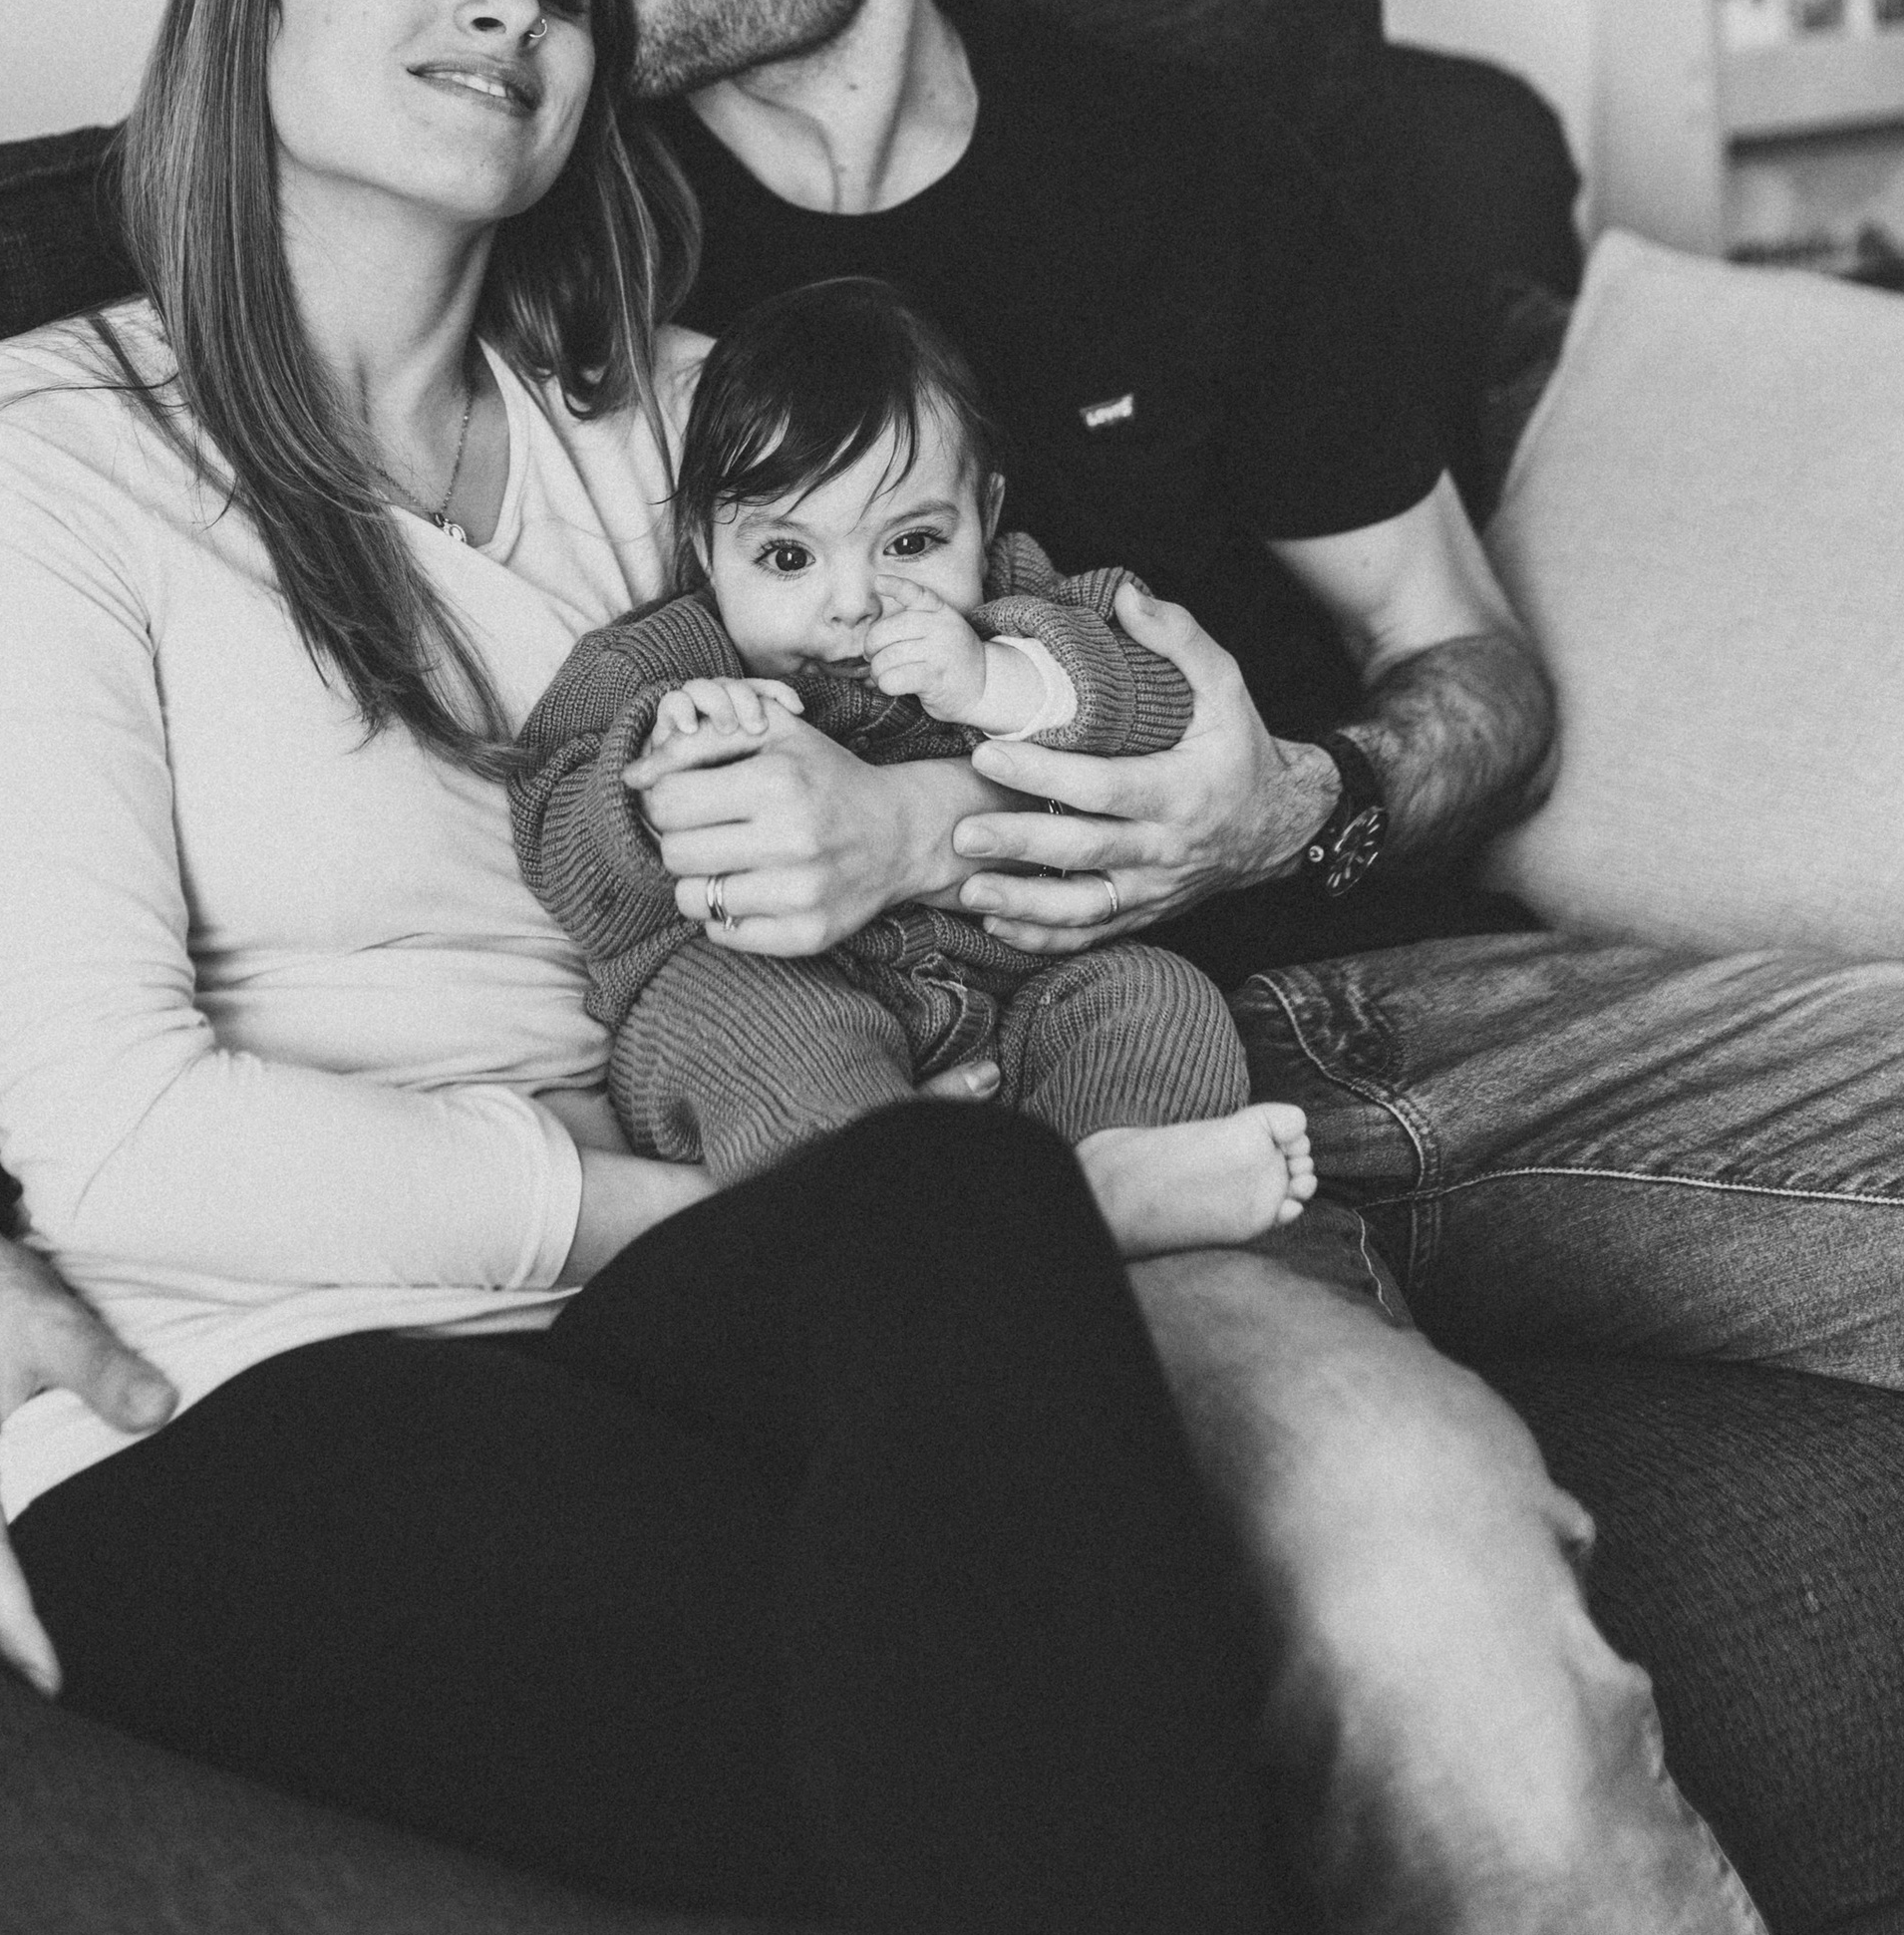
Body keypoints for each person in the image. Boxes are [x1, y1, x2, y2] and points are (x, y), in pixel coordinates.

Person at [0, 0, 1904, 1935]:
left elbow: (1473, 674)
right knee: (1371, 1604)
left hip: (1339, 992)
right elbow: (49, 738)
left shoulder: (1141, 189)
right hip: (979, 1119)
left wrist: (1289, 790)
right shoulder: (552, 246)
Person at [0, 0, 1389, 1935]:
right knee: (1040, 1761)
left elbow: (1010, 662)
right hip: (245, 1380)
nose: (509, 5)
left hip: (686, 1306)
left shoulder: (684, 433)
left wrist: (1121, 721)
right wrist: (647, 1211)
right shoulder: (44, 457)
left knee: (952, 1252)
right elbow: (111, 1131)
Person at [511, 271, 1318, 1252]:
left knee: (1155, 995)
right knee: (773, 1036)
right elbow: (555, 841)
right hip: (761, 991)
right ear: (701, 548)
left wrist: (1003, 684)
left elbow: (1166, 707)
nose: (854, 603)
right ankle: (911, 1229)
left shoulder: (1018, 609)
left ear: (985, 515)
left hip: (1005, 1001)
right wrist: (660, 771)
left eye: (910, 542)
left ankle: (1106, 1173)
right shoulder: (663, 661)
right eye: (787, 558)